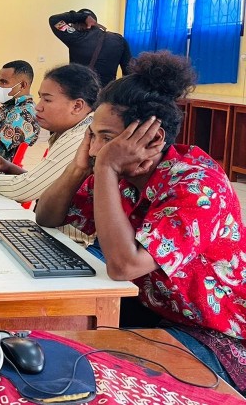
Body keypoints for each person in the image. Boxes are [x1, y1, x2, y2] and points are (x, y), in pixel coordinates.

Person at [35, 51, 245, 391]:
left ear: (154, 138)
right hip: (155, 309)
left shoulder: (197, 186)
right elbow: (47, 216)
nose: (96, 148)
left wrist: (105, 166)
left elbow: (123, 266)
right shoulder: (126, 174)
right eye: (94, 136)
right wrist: (79, 167)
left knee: (91, 369)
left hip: (214, 334)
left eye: (107, 137)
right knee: (46, 335)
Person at [0, 63, 99, 208]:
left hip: (68, 230)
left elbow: (22, 190)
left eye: (47, 100)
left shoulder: (79, 138)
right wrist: (9, 168)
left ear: (77, 106)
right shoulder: (76, 129)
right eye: (40, 98)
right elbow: (45, 182)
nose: (38, 107)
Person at [49, 9, 132, 86]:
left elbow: (54, 20)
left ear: (78, 24)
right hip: (106, 94)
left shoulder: (76, 38)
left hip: (81, 92)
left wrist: (83, 17)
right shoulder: (119, 40)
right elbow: (129, 72)